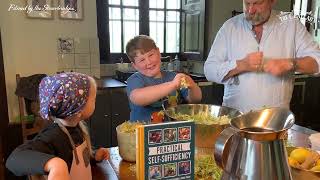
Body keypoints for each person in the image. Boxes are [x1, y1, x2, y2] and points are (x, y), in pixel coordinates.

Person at [204, 0, 320, 113]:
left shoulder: (291, 24)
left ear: (272, 1)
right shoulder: (229, 27)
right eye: (247, 3)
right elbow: (209, 70)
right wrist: (241, 65)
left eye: (257, 3)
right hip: (234, 120)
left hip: (276, 122)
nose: (250, 10)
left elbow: (317, 61)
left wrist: (291, 63)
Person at [6, 72, 109, 180]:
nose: (95, 102)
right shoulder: (53, 135)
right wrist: (55, 164)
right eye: (93, 99)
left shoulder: (77, 127)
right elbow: (13, 160)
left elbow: (79, 160)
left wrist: (94, 156)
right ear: (78, 109)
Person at [125, 35, 202, 121]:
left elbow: (195, 99)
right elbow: (137, 98)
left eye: (151, 55)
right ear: (134, 65)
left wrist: (192, 86)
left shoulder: (173, 76)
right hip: (143, 133)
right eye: (142, 60)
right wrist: (172, 85)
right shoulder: (135, 79)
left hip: (172, 131)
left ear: (158, 52)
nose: (149, 62)